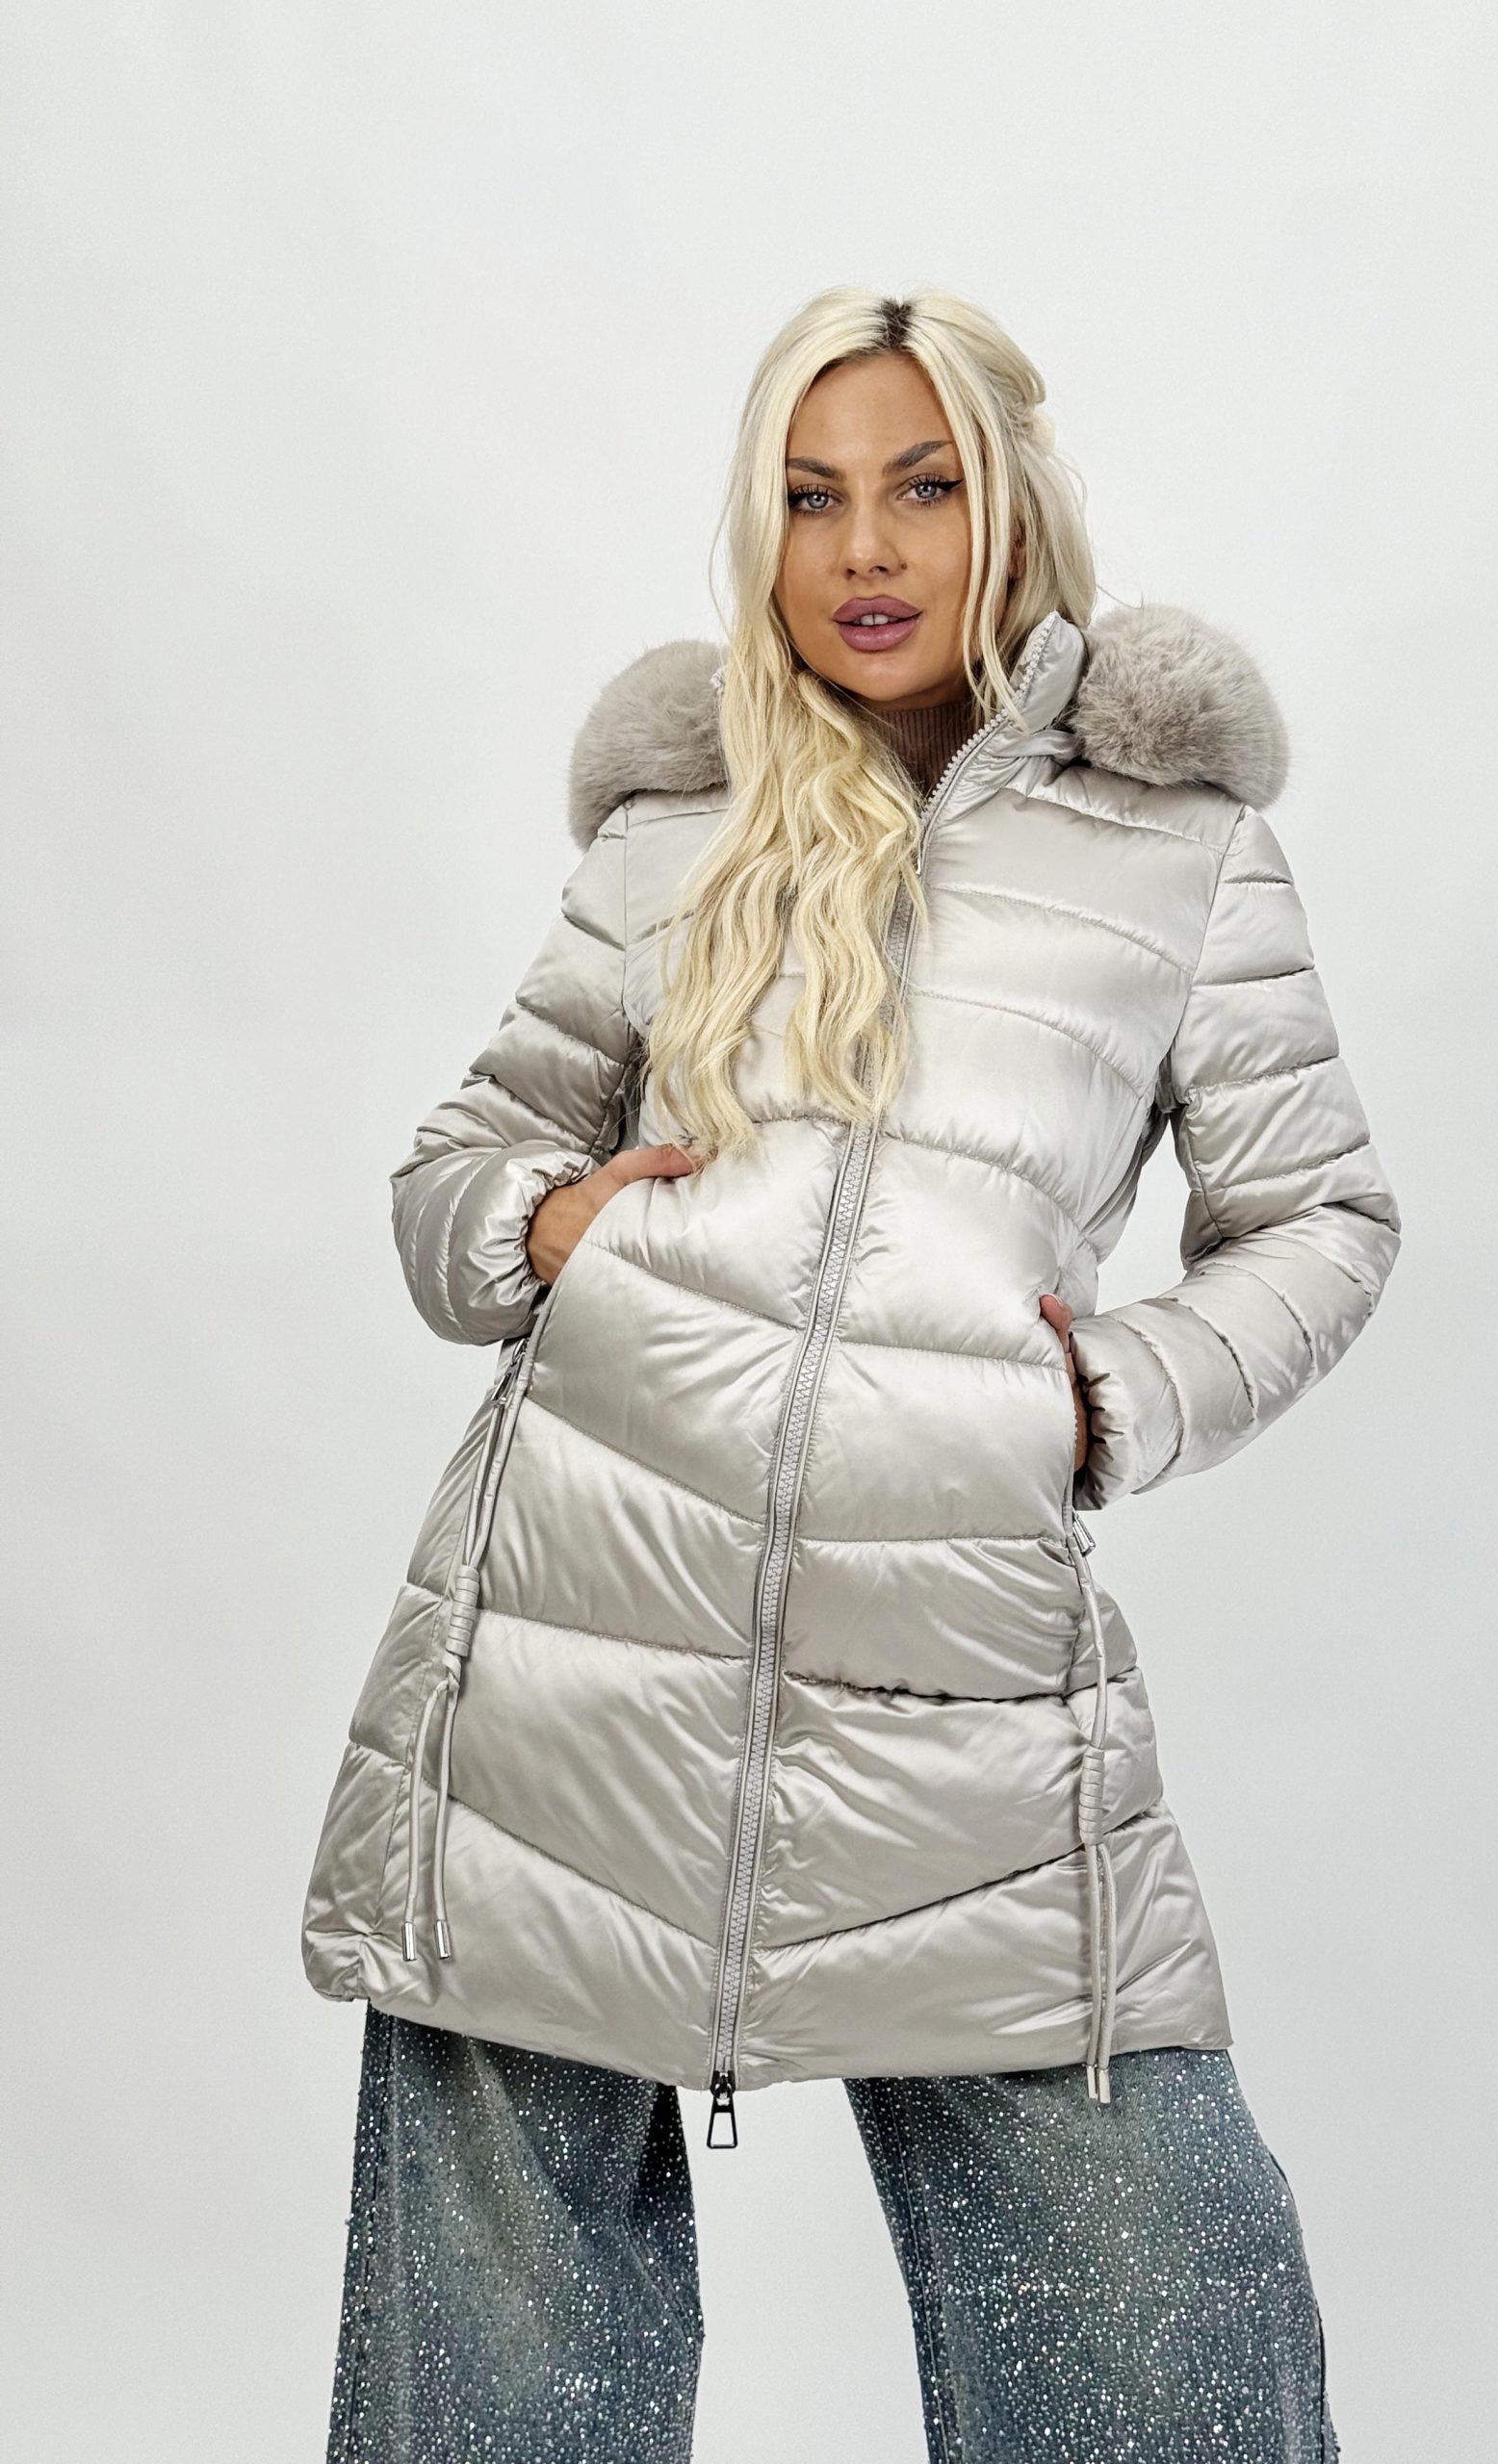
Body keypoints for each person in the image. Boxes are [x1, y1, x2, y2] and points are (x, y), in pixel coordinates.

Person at [303, 285, 1400, 2463]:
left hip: (957, 1686)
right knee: (494, 2387)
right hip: (566, 1667)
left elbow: (1323, 1222)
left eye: (922, 488)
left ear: (1012, 511)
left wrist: (1104, 1399)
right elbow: (455, 1178)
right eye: (812, 499)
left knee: (1163, 2322)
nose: (867, 548)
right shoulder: (673, 824)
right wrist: (545, 1225)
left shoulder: (1179, 846)